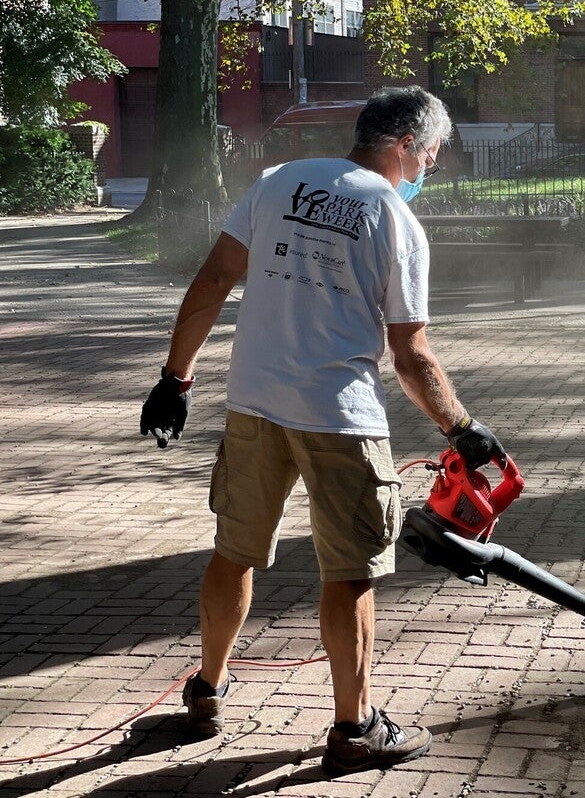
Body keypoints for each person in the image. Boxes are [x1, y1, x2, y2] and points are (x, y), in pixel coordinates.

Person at [139, 86, 505, 776]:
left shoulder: (280, 181)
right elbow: (412, 356)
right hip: (341, 416)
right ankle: (355, 727)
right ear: (405, 144)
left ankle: (206, 693)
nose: (433, 162)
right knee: (352, 571)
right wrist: (462, 427)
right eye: (432, 150)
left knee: (234, 551)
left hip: (254, 402)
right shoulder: (396, 219)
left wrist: (175, 379)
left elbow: (216, 277)